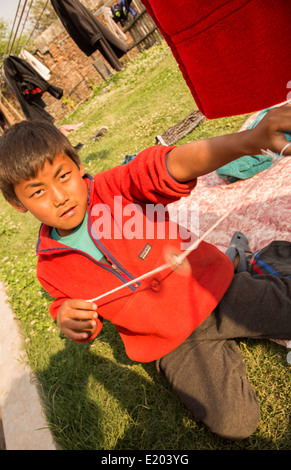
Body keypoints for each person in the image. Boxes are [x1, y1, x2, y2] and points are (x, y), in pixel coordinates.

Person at [0, 104, 290, 440]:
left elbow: (168, 166)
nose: (59, 196)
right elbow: (67, 309)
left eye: (63, 176)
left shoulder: (115, 190)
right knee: (236, 425)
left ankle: (248, 262)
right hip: (174, 345)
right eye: (37, 191)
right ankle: (224, 334)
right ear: (19, 204)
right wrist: (69, 319)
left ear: (79, 167)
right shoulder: (49, 268)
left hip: (215, 289)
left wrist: (250, 140)